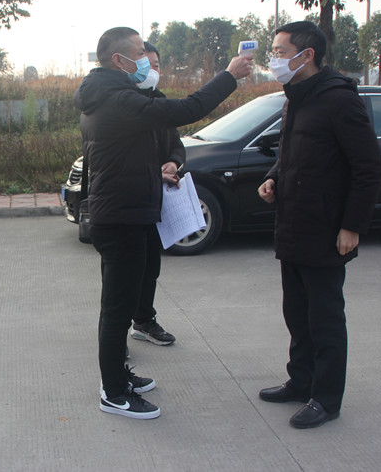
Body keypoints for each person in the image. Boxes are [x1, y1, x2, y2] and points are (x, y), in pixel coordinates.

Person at [77, 27, 252, 419]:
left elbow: (132, 154)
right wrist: (229, 75)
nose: (146, 59)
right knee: (117, 310)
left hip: (127, 211)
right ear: (119, 60)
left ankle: (119, 377)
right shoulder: (118, 100)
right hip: (120, 217)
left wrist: (163, 168)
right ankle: (113, 393)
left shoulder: (107, 96)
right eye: (140, 52)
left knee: (124, 303)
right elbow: (187, 109)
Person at [257, 21, 381, 429]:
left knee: (325, 319)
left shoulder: (339, 100)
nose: (274, 59)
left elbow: (369, 167)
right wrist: (274, 177)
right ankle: (301, 381)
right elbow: (291, 152)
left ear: (306, 54)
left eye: (280, 52)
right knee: (297, 313)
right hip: (293, 223)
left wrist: (352, 225)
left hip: (327, 229)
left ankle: (327, 399)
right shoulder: (295, 97)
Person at [129, 42, 181, 347]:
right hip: (129, 202)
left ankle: (144, 321)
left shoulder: (161, 103)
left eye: (157, 66)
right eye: (146, 66)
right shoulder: (121, 105)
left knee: (151, 266)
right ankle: (115, 339)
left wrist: (173, 162)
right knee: (125, 274)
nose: (153, 71)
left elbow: (176, 144)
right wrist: (152, 172)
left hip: (156, 201)